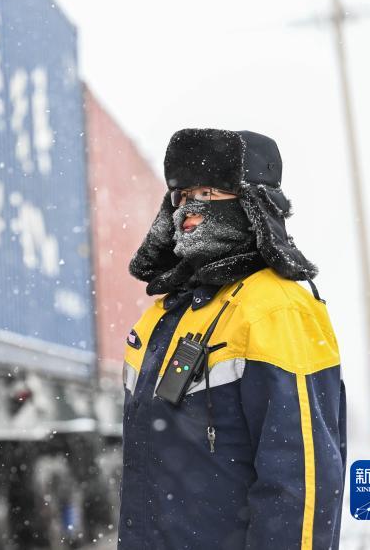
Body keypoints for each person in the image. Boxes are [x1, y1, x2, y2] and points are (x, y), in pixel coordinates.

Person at [118, 128, 346, 549]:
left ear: (253, 205)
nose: (188, 209)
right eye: (182, 196)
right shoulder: (163, 318)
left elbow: (301, 484)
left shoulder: (275, 310)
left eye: (207, 192)